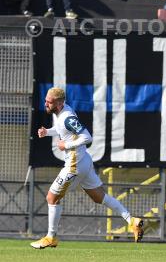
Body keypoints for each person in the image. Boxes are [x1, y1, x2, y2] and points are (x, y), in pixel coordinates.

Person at [30, 88, 143, 249]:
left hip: (75, 164)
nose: (45, 103)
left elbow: (87, 137)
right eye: (46, 100)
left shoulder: (67, 117)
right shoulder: (63, 114)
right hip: (84, 161)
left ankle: (50, 237)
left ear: (59, 103)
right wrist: (47, 132)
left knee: (51, 198)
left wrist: (65, 145)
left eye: (49, 101)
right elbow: (63, 130)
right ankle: (132, 221)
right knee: (99, 197)